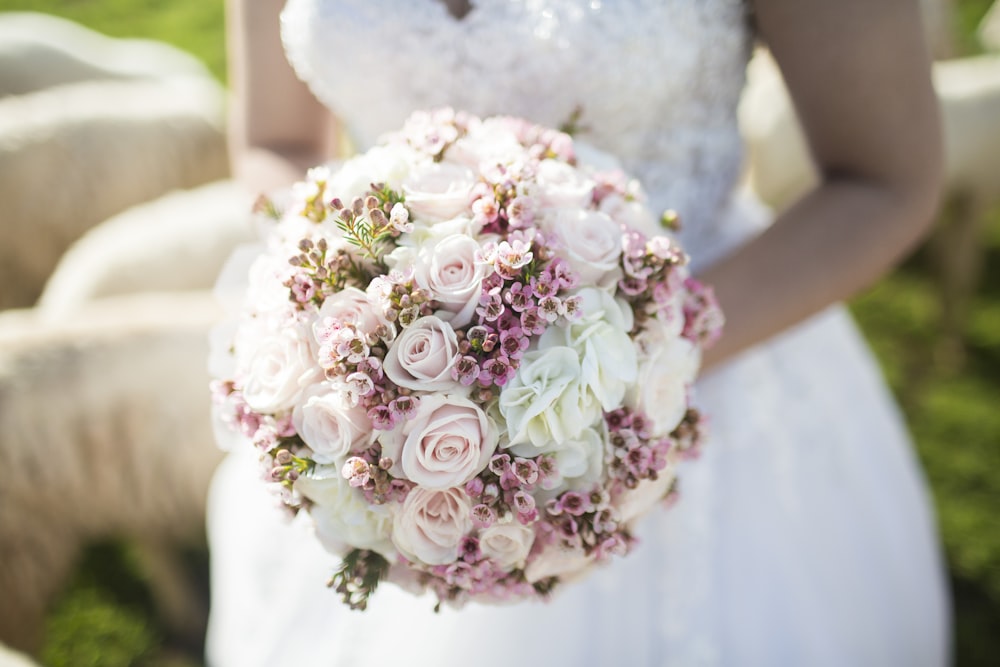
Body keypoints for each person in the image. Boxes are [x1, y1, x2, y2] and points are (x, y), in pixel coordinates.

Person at [206, 0, 951, 665]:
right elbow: (278, 139)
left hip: (712, 363)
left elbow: (884, 177)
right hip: (372, 409)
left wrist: (642, 354)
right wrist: (334, 311)